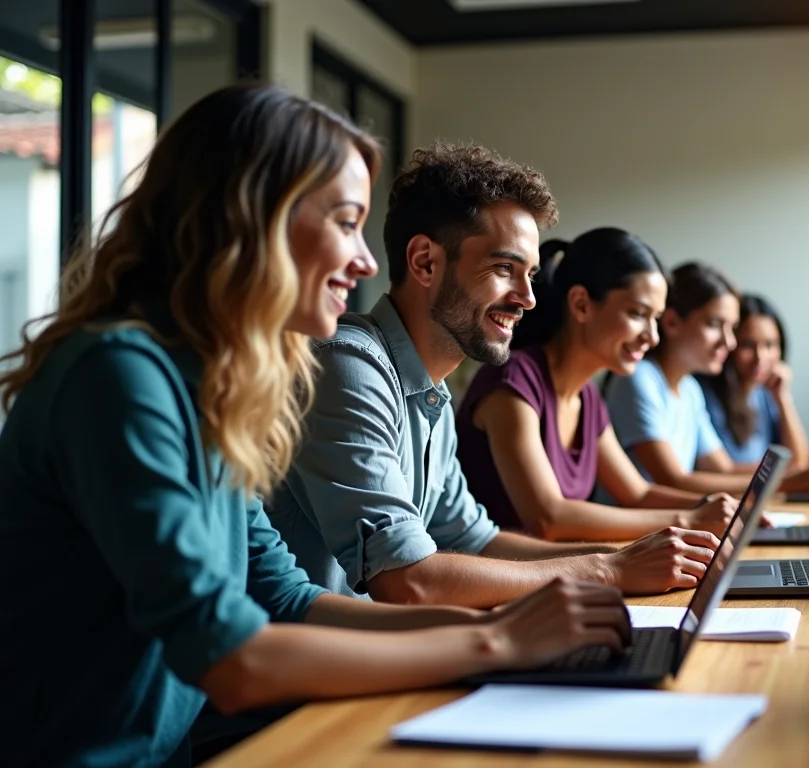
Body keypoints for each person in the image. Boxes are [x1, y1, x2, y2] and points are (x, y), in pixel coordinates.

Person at [0, 85, 629, 767]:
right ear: (254, 220)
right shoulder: (117, 377)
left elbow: (290, 598)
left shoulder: (212, 390)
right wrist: (495, 642)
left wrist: (501, 624)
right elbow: (232, 656)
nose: (364, 261)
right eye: (346, 222)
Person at [267, 143, 719, 610]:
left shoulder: (429, 392)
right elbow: (407, 581)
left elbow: (476, 540)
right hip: (309, 671)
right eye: (504, 268)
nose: (528, 298)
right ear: (424, 262)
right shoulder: (348, 366)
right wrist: (610, 571)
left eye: (531, 275)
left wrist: (629, 558)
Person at [455, 229, 739, 542]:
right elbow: (549, 517)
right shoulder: (514, 381)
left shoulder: (587, 398)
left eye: (655, 318)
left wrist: (720, 508)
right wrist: (691, 518)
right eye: (638, 314)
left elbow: (638, 494)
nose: (653, 336)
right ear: (581, 304)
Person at [604, 263, 809, 496]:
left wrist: (794, 475)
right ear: (671, 322)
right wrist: (784, 481)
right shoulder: (639, 378)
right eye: (715, 324)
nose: (729, 342)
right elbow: (673, 480)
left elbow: (724, 469)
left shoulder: (689, 390)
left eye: (731, 328)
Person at [699, 294, 809, 469]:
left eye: (769, 345)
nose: (760, 358)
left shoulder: (763, 394)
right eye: (747, 345)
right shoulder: (707, 397)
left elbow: (796, 458)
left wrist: (783, 398)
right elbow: (793, 463)